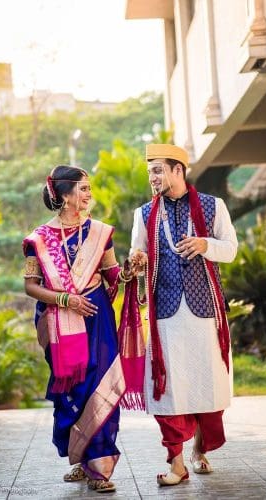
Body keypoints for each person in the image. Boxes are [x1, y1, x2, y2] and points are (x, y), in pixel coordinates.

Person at [127, 144, 238, 486]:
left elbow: (231, 249)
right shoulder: (144, 213)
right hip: (166, 314)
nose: (153, 177)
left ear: (179, 170)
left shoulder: (211, 205)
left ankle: (200, 449)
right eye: (150, 172)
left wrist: (206, 245)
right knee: (169, 387)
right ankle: (176, 464)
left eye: (158, 170)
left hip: (205, 312)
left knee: (209, 384)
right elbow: (138, 252)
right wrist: (138, 260)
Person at [23, 165, 128, 493]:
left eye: (88, 189)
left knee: (100, 382)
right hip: (60, 321)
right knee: (74, 390)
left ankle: (99, 467)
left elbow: (113, 275)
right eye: (83, 189)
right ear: (65, 195)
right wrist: (67, 300)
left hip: (97, 318)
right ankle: (82, 458)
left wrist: (129, 272)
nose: (88, 194)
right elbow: (31, 286)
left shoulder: (100, 233)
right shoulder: (37, 240)